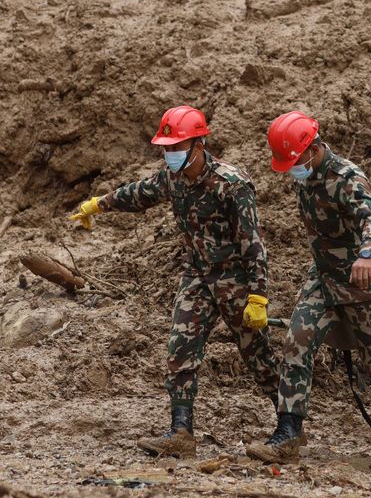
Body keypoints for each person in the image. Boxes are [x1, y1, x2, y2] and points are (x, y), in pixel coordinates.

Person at [69, 105, 279, 457]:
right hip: (197, 277)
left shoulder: (232, 184)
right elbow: (138, 194)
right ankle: (181, 433)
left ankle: (290, 429)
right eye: (165, 148)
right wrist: (98, 205)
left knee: (259, 358)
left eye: (176, 147)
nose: (169, 155)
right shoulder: (173, 178)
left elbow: (252, 244)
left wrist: (258, 296)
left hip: (235, 281)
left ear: (199, 144)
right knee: (180, 352)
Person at [245, 110, 371, 468]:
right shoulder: (305, 174)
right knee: (296, 342)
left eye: (295, 161)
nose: (292, 169)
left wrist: (367, 254)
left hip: (363, 285)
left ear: (313, 149)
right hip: (324, 280)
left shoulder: (346, 177)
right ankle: (288, 432)